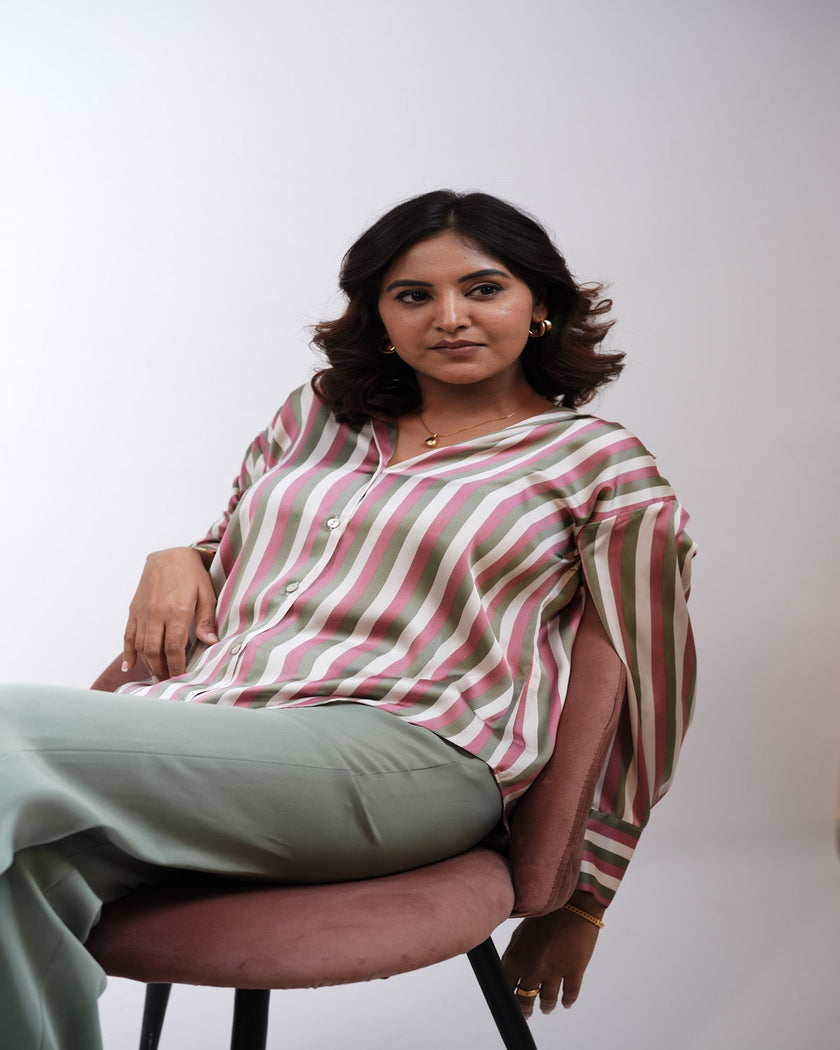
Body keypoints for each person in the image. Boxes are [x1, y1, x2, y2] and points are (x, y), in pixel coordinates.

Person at [0, 190, 696, 1048]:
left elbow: (647, 689)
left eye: (484, 289)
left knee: (5, 727)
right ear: (379, 313)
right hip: (228, 731)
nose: (450, 317)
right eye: (413, 295)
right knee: (19, 877)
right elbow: (235, 548)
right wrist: (176, 553)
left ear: (540, 305)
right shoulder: (319, 415)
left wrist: (585, 900)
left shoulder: (603, 466)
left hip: (412, 758)